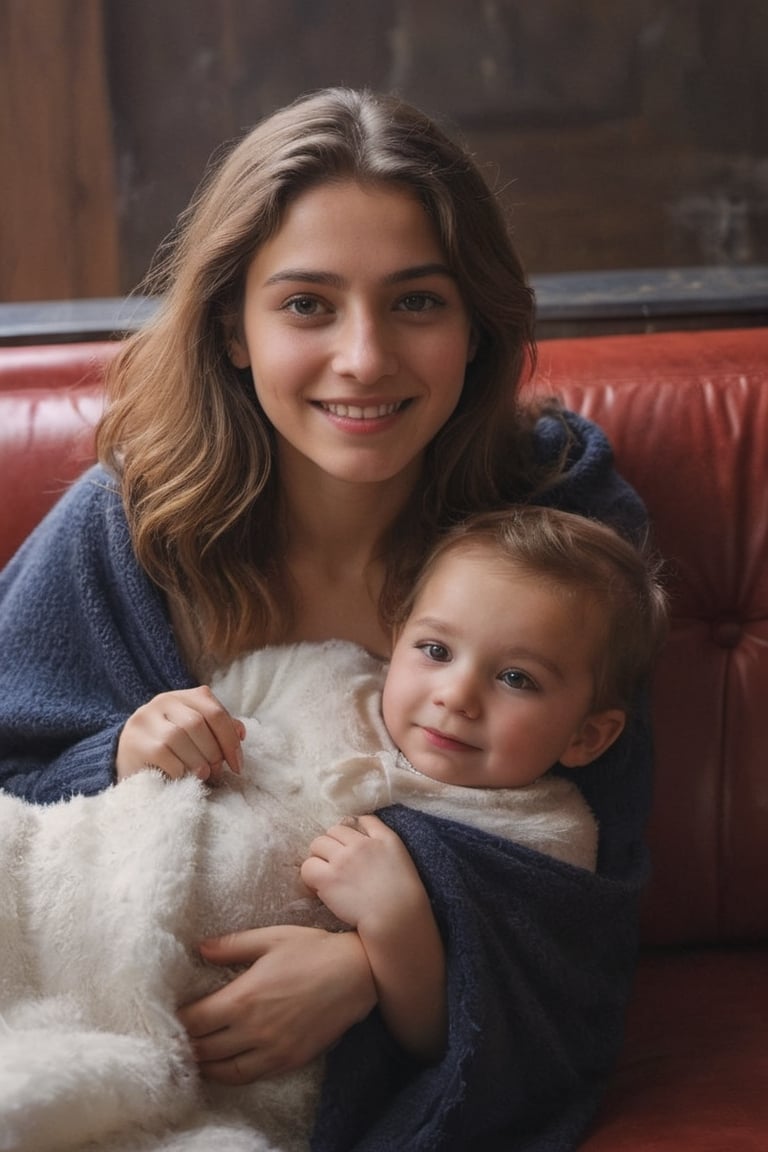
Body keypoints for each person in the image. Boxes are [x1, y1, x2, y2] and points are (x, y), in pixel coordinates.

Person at [0, 86, 653, 1150]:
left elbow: (589, 892)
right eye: (308, 304)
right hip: (88, 999)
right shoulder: (130, 525)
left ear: (477, 322)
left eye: (417, 302)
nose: (364, 358)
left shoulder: (564, 526)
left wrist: (369, 966)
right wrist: (116, 750)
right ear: (235, 327)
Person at [0, 506, 666, 1152]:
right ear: (397, 635)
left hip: (206, 1026)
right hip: (82, 876)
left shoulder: (546, 833)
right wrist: (163, 730)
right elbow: (204, 709)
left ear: (587, 735)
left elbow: (475, 1030)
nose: (456, 695)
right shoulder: (325, 674)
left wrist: (396, 930)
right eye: (435, 650)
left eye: (516, 678)